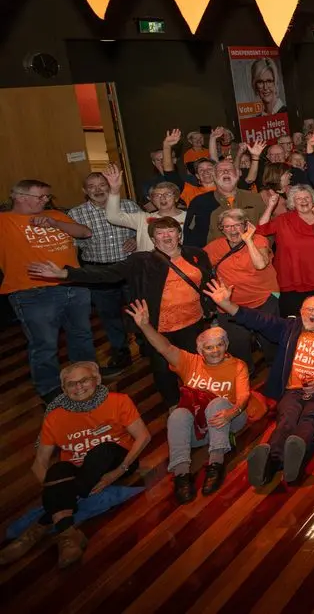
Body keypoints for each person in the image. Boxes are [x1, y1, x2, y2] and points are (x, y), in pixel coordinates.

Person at [30, 216, 213, 407]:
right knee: (163, 368)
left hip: (193, 321)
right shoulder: (141, 261)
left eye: (171, 231)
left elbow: (208, 281)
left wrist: (212, 307)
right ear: (153, 239)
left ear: (179, 234)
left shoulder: (196, 254)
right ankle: (173, 404)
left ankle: (198, 400)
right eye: (160, 233)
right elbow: (107, 274)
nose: (166, 236)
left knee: (194, 364)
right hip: (158, 326)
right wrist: (66, 273)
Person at [0, 362, 150, 568]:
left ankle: (39, 526)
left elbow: (143, 437)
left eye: (84, 380)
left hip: (117, 461)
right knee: (56, 470)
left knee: (102, 449)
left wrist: (118, 472)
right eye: (71, 384)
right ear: (63, 389)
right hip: (79, 471)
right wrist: (56, 490)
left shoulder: (118, 401)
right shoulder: (54, 415)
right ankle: (68, 534)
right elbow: (39, 464)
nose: (78, 387)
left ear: (96, 380)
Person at [209, 282, 314, 486]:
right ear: (300, 312)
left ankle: (292, 458)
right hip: (292, 390)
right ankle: (272, 462)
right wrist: (227, 304)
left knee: (312, 416)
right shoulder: (289, 329)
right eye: (309, 309)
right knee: (287, 419)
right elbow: (257, 320)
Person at [127, 299, 249, 501]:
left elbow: (244, 395)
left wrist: (232, 412)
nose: (216, 350)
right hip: (200, 428)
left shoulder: (237, 365)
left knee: (216, 402)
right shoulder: (189, 362)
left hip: (229, 419)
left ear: (226, 345)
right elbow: (164, 348)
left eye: (220, 345)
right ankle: (182, 475)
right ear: (200, 351)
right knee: (177, 414)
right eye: (209, 347)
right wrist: (144, 325)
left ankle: (216, 465)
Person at [3, 178, 97, 402]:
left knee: (82, 336)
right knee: (44, 344)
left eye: (47, 196)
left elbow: (85, 232)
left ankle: (87, 382)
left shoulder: (55, 215)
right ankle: (51, 392)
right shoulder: (4, 221)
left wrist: (55, 224)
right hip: (32, 292)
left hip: (74, 285)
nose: (46, 200)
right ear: (19, 197)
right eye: (40, 197)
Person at [67, 169, 139, 375]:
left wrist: (135, 239)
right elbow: (71, 246)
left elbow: (144, 231)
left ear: (110, 186)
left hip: (129, 267)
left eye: (102, 185)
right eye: (92, 187)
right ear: (84, 190)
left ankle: (146, 346)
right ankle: (121, 351)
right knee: (109, 315)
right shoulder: (75, 214)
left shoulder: (128, 206)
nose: (98, 190)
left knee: (139, 308)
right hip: (98, 270)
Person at [256, 184, 314, 317]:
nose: (303, 201)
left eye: (307, 197)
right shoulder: (283, 219)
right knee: (291, 323)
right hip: (290, 281)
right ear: (292, 202)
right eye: (298, 199)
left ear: (313, 200)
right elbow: (261, 229)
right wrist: (270, 206)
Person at [183, 159, 261, 246]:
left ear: (238, 174)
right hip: (215, 256)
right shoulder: (199, 202)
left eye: (230, 169)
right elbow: (190, 235)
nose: (225, 172)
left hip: (253, 253)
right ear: (214, 176)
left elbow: (267, 230)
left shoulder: (255, 198)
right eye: (220, 171)